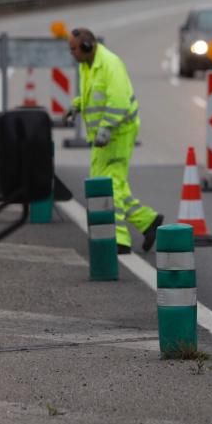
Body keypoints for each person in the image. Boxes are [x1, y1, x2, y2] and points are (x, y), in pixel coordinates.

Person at [65, 28, 163, 254]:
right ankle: (148, 222)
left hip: (118, 131)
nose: (71, 54)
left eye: (74, 49)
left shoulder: (110, 64)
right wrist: (77, 104)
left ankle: (119, 240)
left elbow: (118, 100)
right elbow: (93, 93)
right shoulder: (87, 65)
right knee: (101, 181)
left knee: (110, 183)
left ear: (88, 47)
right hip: (104, 133)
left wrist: (106, 128)